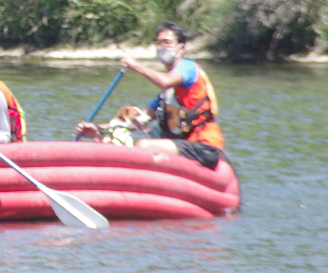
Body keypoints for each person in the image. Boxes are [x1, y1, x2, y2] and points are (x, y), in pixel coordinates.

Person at [76, 22, 226, 170]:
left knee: (143, 145)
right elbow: (136, 121)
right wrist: (98, 130)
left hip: (204, 146)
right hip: (183, 145)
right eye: (158, 43)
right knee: (123, 144)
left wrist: (135, 65)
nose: (162, 47)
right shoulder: (166, 96)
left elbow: (165, 81)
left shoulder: (188, 67)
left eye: (167, 42)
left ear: (182, 47)